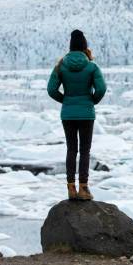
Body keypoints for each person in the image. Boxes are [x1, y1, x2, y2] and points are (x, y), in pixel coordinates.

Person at [47, 30, 106, 200]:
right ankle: (84, 189)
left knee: (71, 149)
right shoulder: (92, 67)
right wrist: (91, 101)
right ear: (84, 46)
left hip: (68, 114)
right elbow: (101, 89)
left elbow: (51, 90)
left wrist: (65, 100)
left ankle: (71, 189)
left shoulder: (61, 66)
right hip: (86, 113)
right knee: (85, 151)